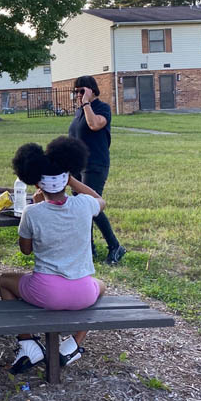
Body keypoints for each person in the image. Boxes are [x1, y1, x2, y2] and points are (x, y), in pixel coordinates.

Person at [0, 137, 107, 374]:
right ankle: (74, 344)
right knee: (102, 286)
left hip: (46, 293)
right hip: (83, 293)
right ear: (66, 179)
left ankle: (27, 342)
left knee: (4, 281)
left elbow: (25, 250)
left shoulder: (32, 212)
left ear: (37, 183)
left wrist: (35, 208)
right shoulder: (84, 205)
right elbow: (100, 199)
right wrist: (74, 180)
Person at [68, 75, 126, 265]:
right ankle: (88, 249)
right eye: (76, 91)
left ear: (92, 90)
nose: (78, 94)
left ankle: (115, 246)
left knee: (91, 207)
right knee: (79, 209)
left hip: (95, 164)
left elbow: (94, 125)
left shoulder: (102, 108)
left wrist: (86, 103)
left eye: (81, 91)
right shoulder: (79, 112)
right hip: (76, 166)